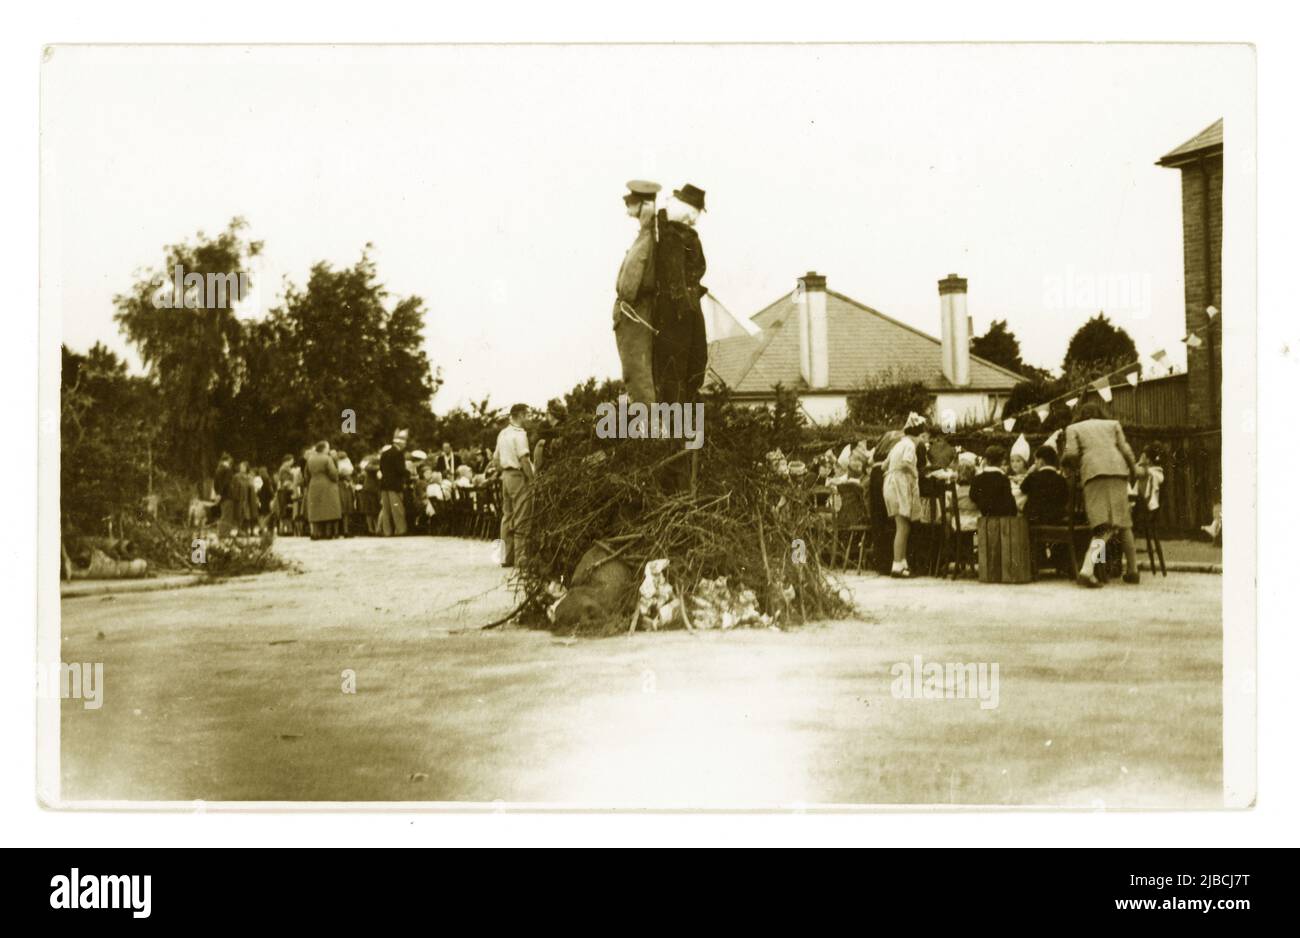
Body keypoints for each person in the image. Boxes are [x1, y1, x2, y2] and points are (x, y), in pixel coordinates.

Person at [1062, 400, 1140, 587]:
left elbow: (1071, 454)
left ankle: (1087, 569)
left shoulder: (1073, 428)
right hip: (1118, 470)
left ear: (1081, 414)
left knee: (1103, 525)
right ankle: (1133, 571)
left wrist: (1065, 465)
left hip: (1094, 473)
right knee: (1123, 522)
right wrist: (1133, 470)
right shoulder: (1112, 424)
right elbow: (1126, 450)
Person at [652, 184, 708, 405]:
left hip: (680, 312)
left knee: (682, 371)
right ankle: (679, 429)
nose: (696, 219)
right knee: (683, 370)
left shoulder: (671, 232)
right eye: (696, 213)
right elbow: (676, 282)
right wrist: (687, 310)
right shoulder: (675, 236)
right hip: (681, 315)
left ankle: (679, 426)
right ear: (689, 211)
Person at [613, 179, 661, 405]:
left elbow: (630, 286)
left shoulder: (647, 236)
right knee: (637, 376)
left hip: (635, 312)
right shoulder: (646, 235)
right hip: (634, 311)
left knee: (638, 376)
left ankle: (650, 436)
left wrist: (626, 302)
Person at [882, 413, 929, 578]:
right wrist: (914, 473)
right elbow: (905, 463)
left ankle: (902, 564)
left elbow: (883, 465)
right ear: (917, 435)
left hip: (890, 484)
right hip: (898, 486)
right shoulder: (909, 445)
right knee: (902, 527)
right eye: (922, 436)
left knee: (904, 526)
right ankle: (896, 566)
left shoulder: (898, 444)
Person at [493, 403, 535, 567]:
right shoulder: (520, 434)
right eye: (527, 415)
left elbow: (495, 459)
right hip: (517, 476)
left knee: (507, 516)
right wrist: (532, 480)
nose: (528, 418)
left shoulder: (503, 434)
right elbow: (524, 459)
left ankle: (505, 557)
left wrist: (502, 471)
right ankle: (520, 558)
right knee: (522, 515)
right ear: (521, 415)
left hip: (505, 476)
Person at [1020, 444, 1070, 524]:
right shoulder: (1061, 479)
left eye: (1036, 460)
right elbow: (1065, 498)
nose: (1035, 463)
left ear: (1041, 461)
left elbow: (1022, 488)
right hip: (1056, 519)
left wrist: (1029, 473)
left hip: (1034, 519)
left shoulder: (1033, 476)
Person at [304, 441, 342, 539]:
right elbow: (333, 473)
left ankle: (316, 533)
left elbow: (306, 474)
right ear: (324, 448)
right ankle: (328, 533)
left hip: (313, 484)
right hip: (327, 485)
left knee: (316, 510)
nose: (328, 449)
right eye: (328, 447)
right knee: (328, 509)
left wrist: (310, 482)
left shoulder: (310, 459)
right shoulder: (327, 458)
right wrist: (336, 479)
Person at [970, 445, 1018, 517]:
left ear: (986, 460)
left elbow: (972, 496)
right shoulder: (1003, 479)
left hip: (984, 518)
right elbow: (1009, 502)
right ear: (1001, 461)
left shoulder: (977, 478)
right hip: (1002, 520)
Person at [377, 429, 409, 536]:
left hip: (384, 485)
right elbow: (400, 469)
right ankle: (400, 530)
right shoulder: (399, 454)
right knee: (397, 509)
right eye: (404, 442)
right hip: (394, 485)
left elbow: (381, 468)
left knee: (386, 510)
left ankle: (387, 531)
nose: (405, 445)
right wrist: (409, 474)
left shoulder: (384, 453)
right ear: (399, 443)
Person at [213, 453, 235, 539]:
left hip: (221, 496)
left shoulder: (218, 469)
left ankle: (221, 533)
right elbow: (227, 483)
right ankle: (224, 534)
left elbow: (215, 484)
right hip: (227, 495)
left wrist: (218, 493)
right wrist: (221, 494)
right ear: (228, 460)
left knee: (223, 514)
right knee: (227, 515)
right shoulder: (227, 470)